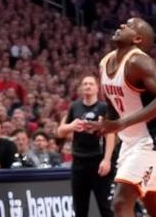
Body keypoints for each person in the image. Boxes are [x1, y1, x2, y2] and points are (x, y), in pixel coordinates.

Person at [84, 18, 156, 217]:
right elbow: (113, 105)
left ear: (137, 39)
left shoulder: (138, 62)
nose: (122, 25)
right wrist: (105, 122)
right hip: (131, 141)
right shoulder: (105, 63)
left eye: (130, 26)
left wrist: (121, 123)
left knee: (121, 201)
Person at [58, 74, 116, 217]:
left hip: (98, 160)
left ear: (97, 88)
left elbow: (111, 134)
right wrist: (71, 126)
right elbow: (60, 132)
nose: (87, 86)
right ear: (81, 89)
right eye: (85, 84)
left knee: (105, 207)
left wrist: (107, 159)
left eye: (91, 84)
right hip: (79, 161)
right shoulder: (74, 107)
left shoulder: (104, 107)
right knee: (80, 208)